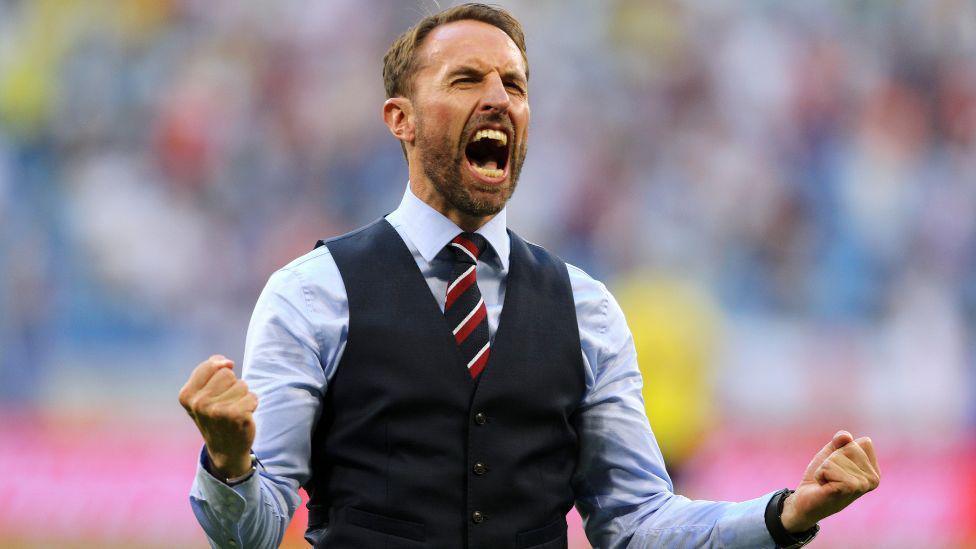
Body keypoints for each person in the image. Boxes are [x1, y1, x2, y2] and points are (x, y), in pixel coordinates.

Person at [179, 4, 880, 548]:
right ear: (402, 119)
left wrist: (785, 514)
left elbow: (637, 521)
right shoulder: (310, 294)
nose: (498, 97)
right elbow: (254, 529)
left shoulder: (587, 309)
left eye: (513, 83)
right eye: (465, 79)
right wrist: (230, 460)